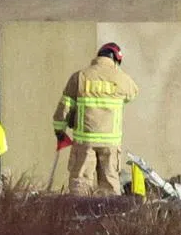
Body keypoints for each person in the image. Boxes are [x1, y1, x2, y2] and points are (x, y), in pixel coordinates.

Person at [52, 41, 138, 196]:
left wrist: (60, 130)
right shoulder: (122, 79)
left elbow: (64, 108)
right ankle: (111, 219)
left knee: (81, 185)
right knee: (110, 187)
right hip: (110, 144)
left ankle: (79, 218)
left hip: (85, 142)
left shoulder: (80, 77)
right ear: (116, 59)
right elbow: (133, 93)